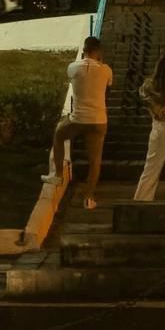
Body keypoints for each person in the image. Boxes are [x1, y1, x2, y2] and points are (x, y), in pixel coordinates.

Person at [43, 36, 113, 210]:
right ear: (99, 52)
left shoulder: (73, 67)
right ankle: (88, 197)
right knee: (95, 160)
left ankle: (58, 174)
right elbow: (107, 93)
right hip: (98, 120)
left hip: (78, 119)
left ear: (84, 50)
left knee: (59, 135)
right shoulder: (106, 70)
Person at [133, 52, 165, 202]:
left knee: (152, 167)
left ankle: (142, 200)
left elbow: (142, 97)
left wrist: (154, 108)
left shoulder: (149, 86)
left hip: (160, 126)